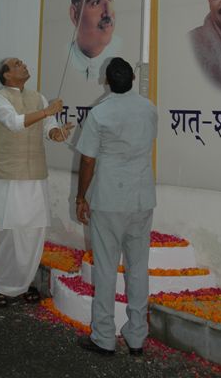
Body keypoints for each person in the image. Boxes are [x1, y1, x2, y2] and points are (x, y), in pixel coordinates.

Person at [75, 57, 158, 357]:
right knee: (138, 269)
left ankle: (104, 337)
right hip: (141, 198)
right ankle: (137, 337)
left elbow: (87, 160)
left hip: (109, 200)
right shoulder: (150, 109)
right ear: (133, 80)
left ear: (107, 81)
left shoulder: (100, 113)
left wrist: (80, 196)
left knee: (107, 269)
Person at [0, 57, 73, 307]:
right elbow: (14, 123)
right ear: (7, 76)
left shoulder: (38, 97)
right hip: (8, 176)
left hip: (35, 175)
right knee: (7, 232)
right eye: (17, 64)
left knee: (33, 232)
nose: (23, 65)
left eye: (22, 63)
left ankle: (23, 283)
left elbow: (49, 127)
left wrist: (57, 133)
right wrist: (48, 112)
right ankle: (2, 285)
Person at [68, 0, 122, 81]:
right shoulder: (65, 58)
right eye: (96, 2)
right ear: (75, 15)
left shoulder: (121, 49)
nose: (108, 12)